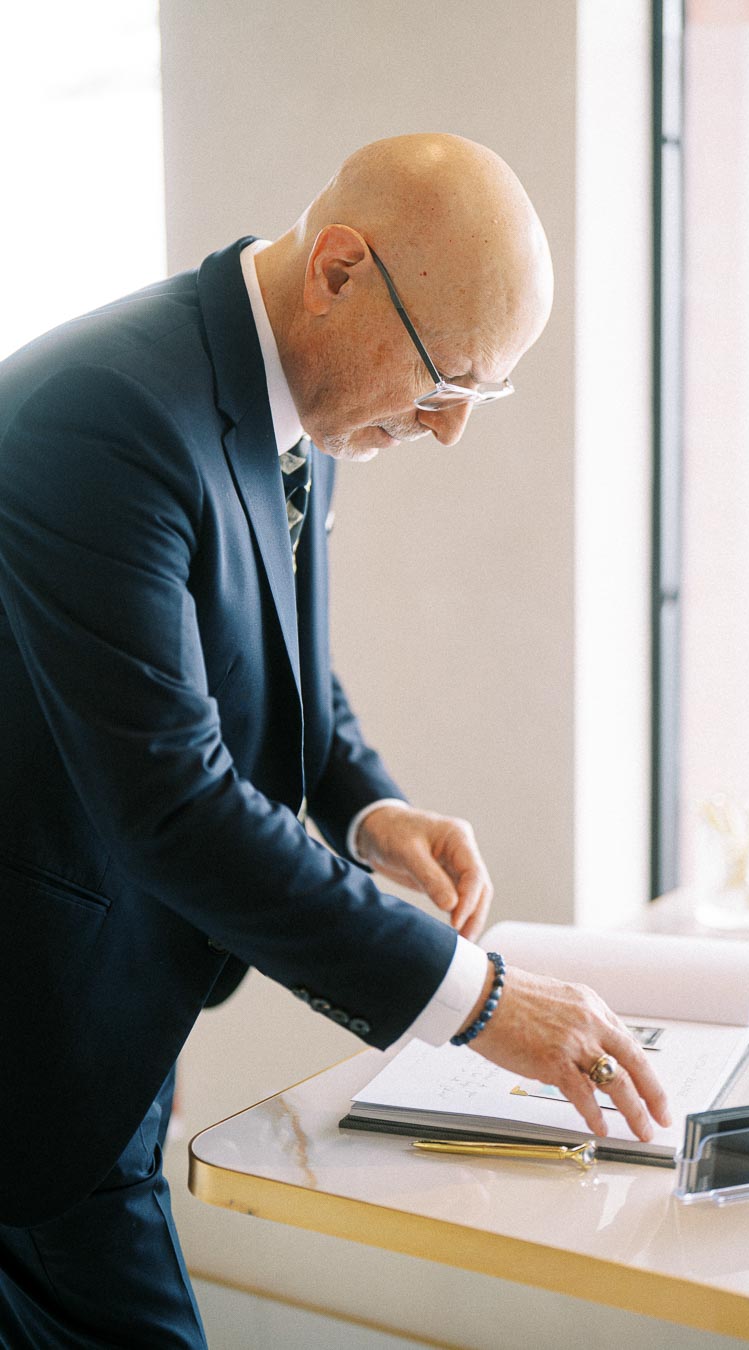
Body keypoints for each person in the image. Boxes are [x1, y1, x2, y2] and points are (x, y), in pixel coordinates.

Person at [0, 133, 669, 1346]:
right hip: (30, 1025)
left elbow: (264, 646)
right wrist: (481, 1000)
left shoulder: (303, 391)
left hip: (118, 1011)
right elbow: (172, 804)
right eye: (444, 383)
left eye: (480, 395)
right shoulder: (100, 421)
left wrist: (362, 804)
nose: (450, 428)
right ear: (341, 269)